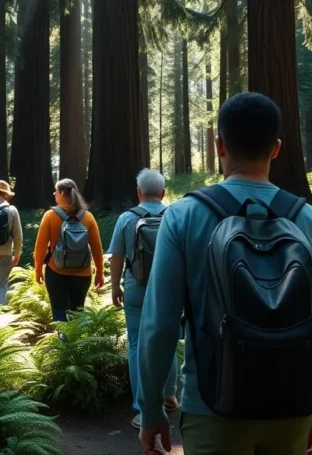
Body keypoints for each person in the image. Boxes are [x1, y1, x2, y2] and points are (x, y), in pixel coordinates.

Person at [137, 93, 312, 455]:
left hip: (211, 409)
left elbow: (158, 324)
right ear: (277, 148)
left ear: (219, 144)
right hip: (294, 408)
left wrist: (150, 409)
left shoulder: (183, 217)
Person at [109, 169, 181, 430]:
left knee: (137, 344)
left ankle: (142, 407)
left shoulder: (126, 218)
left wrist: (115, 286)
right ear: (163, 193)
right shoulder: (175, 215)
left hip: (136, 287)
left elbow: (116, 256)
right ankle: (169, 395)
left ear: (139, 192)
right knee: (168, 338)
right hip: (169, 288)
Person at [34, 178, 106, 322]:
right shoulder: (88, 217)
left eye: (56, 191)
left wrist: (37, 270)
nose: (54, 193)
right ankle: (76, 343)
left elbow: (40, 248)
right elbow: (97, 249)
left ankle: (63, 343)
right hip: (83, 273)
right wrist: (99, 272)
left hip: (56, 271)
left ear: (62, 194)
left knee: (59, 310)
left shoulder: (50, 216)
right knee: (78, 312)